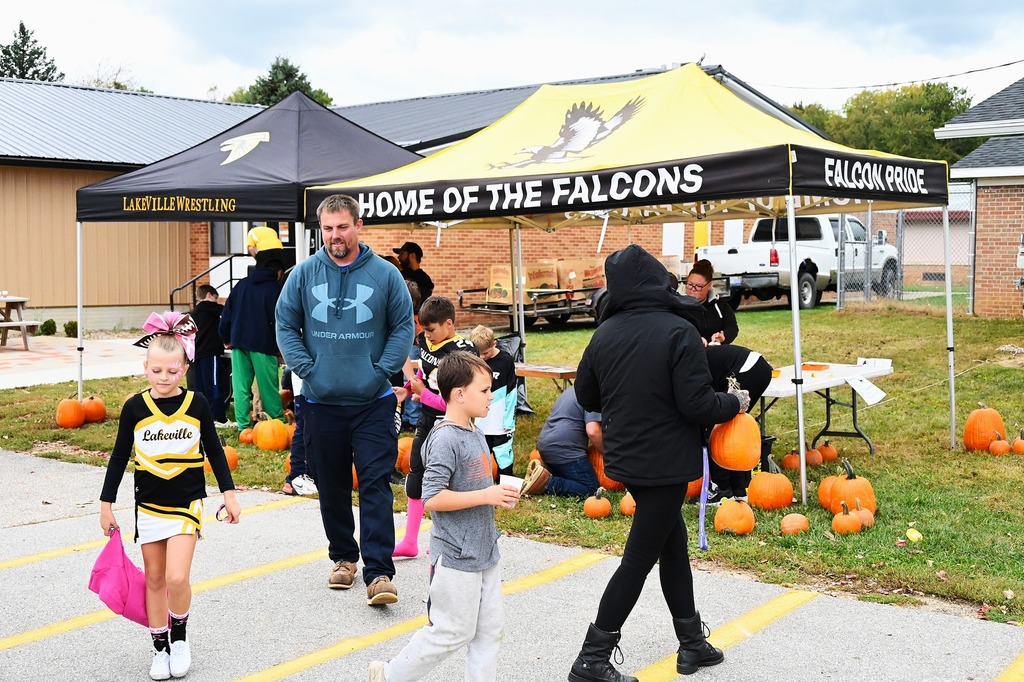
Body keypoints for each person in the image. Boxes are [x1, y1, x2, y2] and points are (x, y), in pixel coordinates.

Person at [569, 245, 747, 681]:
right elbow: (697, 404)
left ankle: (692, 643)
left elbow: (586, 394)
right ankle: (591, 659)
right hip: (666, 462)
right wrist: (734, 402)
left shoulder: (604, 333)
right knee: (638, 560)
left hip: (627, 458)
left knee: (673, 547)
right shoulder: (679, 330)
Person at [276, 193, 414, 606]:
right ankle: (343, 558)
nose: (335, 235)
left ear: (358, 226)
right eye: (328, 228)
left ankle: (379, 572)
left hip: (373, 401)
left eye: (342, 227)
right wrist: (308, 369)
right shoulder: (303, 274)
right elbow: (285, 324)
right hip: (320, 402)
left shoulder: (385, 275)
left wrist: (380, 370)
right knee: (332, 485)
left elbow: (402, 326)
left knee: (375, 484)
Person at [99, 312, 241, 681]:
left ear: (185, 368)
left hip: (186, 503)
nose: (164, 377)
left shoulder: (197, 404)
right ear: (145, 368)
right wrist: (106, 505)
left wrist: (229, 494)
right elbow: (119, 456)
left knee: (177, 578)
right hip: (149, 505)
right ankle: (159, 647)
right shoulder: (134, 408)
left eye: (173, 370)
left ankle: (179, 638)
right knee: (155, 579)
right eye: (157, 370)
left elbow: (215, 450)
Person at [369, 352, 520, 682]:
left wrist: (498, 494)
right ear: (460, 394)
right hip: (455, 556)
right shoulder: (445, 438)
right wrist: (487, 495)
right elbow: (432, 497)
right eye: (484, 390)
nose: (491, 396)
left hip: (484, 550)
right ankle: (388, 676)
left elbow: (474, 488)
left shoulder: (475, 432)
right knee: (450, 632)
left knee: (489, 632)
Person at [392, 295, 477, 558]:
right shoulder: (426, 340)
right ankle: (409, 540)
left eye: (431, 329)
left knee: (447, 481)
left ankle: (447, 540)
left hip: (451, 425)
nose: (426, 335)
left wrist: (425, 394)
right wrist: (409, 389)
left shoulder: (462, 354)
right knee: (416, 472)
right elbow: (424, 371)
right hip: (427, 420)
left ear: (448, 324)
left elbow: (456, 403)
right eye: (424, 329)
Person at [219, 259, 285, 433]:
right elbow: (281, 319)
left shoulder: (241, 285)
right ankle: (278, 422)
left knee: (240, 387)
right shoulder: (276, 289)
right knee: (268, 387)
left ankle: (243, 426)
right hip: (264, 344)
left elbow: (227, 313)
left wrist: (226, 337)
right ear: (278, 273)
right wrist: (281, 343)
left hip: (238, 342)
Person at [705, 343, 774, 502]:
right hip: (759, 368)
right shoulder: (699, 357)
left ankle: (722, 488)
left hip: (747, 369)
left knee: (720, 430)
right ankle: (738, 489)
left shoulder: (691, 364)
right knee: (735, 428)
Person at [521, 385, 601, 498]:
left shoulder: (574, 389)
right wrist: (607, 454)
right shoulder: (593, 393)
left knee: (569, 478)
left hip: (545, 445)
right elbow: (593, 431)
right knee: (591, 489)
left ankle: (543, 473)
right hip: (565, 450)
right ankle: (547, 483)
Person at [470, 325, 517, 478]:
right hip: (481, 422)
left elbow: (512, 392)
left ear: (494, 344)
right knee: (480, 457)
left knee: (503, 457)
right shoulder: (474, 361)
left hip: (501, 422)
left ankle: (506, 483)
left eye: (485, 353)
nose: (482, 357)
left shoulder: (506, 360)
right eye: (479, 353)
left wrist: (509, 420)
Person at [187, 284, 230, 425]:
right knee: (214, 384)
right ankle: (218, 417)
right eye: (216, 298)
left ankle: (203, 416)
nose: (216, 301)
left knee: (201, 386)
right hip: (211, 352)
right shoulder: (213, 308)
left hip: (196, 353)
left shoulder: (193, 313)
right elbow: (228, 314)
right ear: (209, 295)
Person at [685, 259, 738, 345]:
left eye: (699, 286)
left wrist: (723, 336)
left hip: (715, 348)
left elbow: (732, 327)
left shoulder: (720, 304)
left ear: (709, 285)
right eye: (690, 284)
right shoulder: (677, 305)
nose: (693, 289)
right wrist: (694, 339)